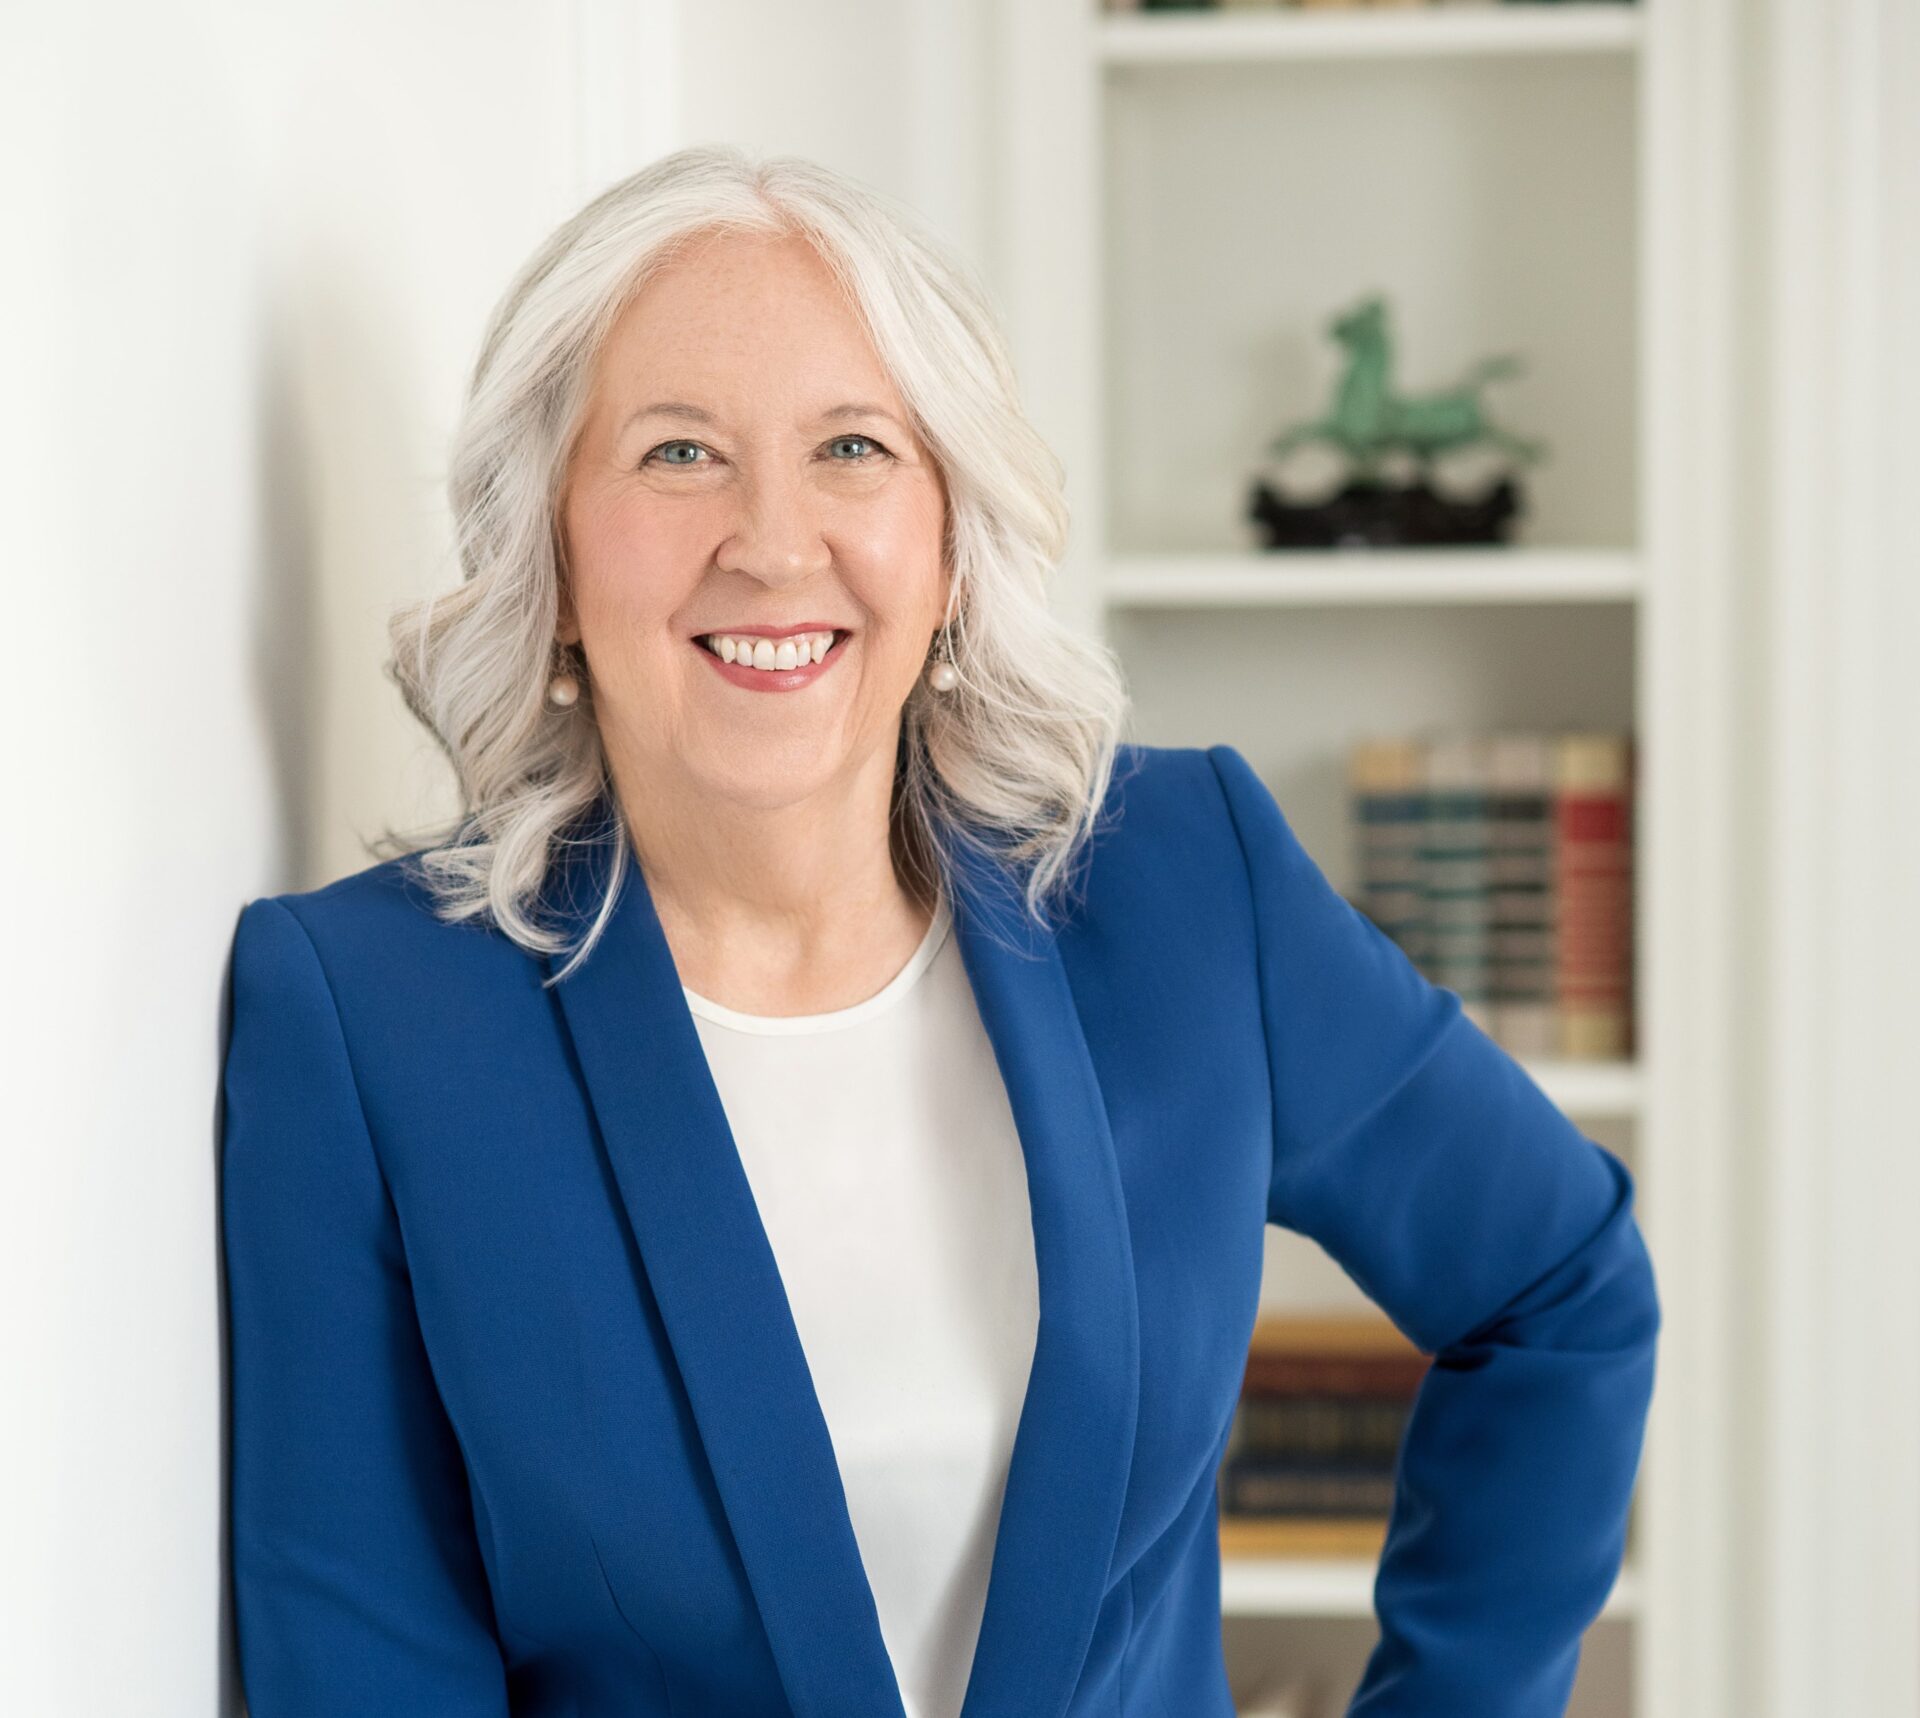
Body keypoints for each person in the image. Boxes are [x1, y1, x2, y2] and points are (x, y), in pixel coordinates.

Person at [219, 143, 1659, 1718]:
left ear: (951, 544)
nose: (773, 542)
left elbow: (1558, 1286)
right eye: (680, 453)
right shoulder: (364, 1023)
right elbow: (365, 1664)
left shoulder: (1188, 884)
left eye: (852, 446)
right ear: (550, 554)